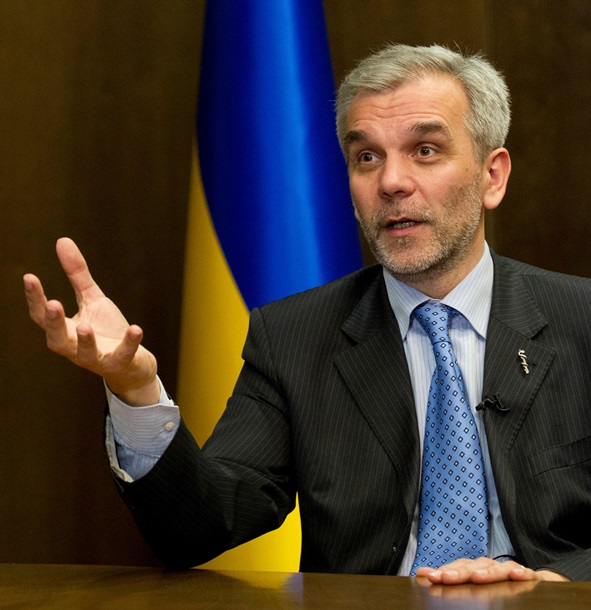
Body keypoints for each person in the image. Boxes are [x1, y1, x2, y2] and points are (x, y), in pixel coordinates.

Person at [24, 44, 590, 584]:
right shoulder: (295, 336)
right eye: (366, 157)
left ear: (493, 176)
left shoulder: (581, 319)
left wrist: (555, 584)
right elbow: (200, 528)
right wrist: (136, 391)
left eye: (425, 150)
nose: (391, 182)